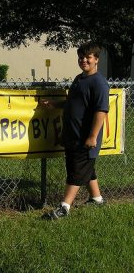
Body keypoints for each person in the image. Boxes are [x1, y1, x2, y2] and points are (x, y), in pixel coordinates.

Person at [41, 42, 109, 220]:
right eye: (81, 57)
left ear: (96, 60)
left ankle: (64, 207)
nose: (84, 60)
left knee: (76, 171)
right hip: (72, 135)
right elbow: (72, 102)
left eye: (88, 57)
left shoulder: (99, 83)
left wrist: (93, 136)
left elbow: (101, 111)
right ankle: (97, 198)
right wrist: (55, 105)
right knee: (85, 169)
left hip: (85, 138)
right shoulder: (79, 79)